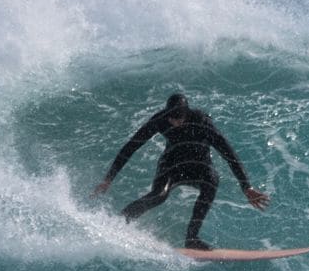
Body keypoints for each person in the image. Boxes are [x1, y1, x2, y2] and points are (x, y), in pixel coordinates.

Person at [91, 92, 270, 250]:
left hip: (200, 165)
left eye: (178, 118)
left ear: (187, 114)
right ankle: (118, 224)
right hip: (171, 165)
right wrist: (109, 178)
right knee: (158, 195)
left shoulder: (202, 122)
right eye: (171, 118)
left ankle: (192, 239)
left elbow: (228, 152)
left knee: (211, 182)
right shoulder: (160, 120)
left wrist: (246, 186)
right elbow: (130, 147)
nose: (174, 122)